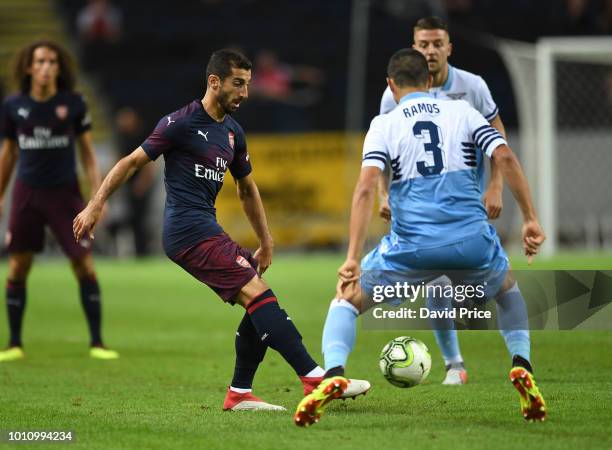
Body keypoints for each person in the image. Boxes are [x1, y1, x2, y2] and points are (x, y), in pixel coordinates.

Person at [72, 48, 369, 411]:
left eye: (247, 84)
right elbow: (131, 162)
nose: (244, 93)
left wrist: (265, 238)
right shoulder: (179, 123)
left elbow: (247, 188)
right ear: (214, 82)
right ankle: (314, 378)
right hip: (186, 231)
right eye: (238, 84)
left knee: (256, 301)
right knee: (258, 295)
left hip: (205, 228)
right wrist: (96, 203)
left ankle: (240, 393)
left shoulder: (232, 132)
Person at [294, 49, 546, 426]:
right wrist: (530, 219)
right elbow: (506, 157)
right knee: (508, 292)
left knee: (345, 301)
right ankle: (521, 364)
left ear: (391, 86)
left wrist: (350, 257)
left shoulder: (385, 124)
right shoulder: (463, 112)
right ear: (429, 82)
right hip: (471, 243)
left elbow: (364, 189)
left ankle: (333, 375)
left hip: (411, 249)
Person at [378, 16, 508, 384]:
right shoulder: (393, 94)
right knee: (438, 281)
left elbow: (498, 137)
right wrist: (383, 193)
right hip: (419, 210)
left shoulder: (472, 87)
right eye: (424, 44)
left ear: (449, 47)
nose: (430, 50)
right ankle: (455, 364)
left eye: (437, 43)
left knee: (480, 291)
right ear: (413, 47)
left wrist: (496, 186)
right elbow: (382, 148)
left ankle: (468, 311)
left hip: (465, 206)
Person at [0, 40, 118, 361]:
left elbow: (88, 154)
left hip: (65, 195)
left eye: (52, 61)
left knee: (83, 263)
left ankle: (97, 343)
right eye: (39, 61)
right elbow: (9, 153)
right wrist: (0, 195)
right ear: (28, 67)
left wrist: (97, 197)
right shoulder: (13, 106)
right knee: (19, 266)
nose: (46, 67)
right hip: (27, 194)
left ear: (59, 67)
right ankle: (14, 344)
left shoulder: (74, 103)